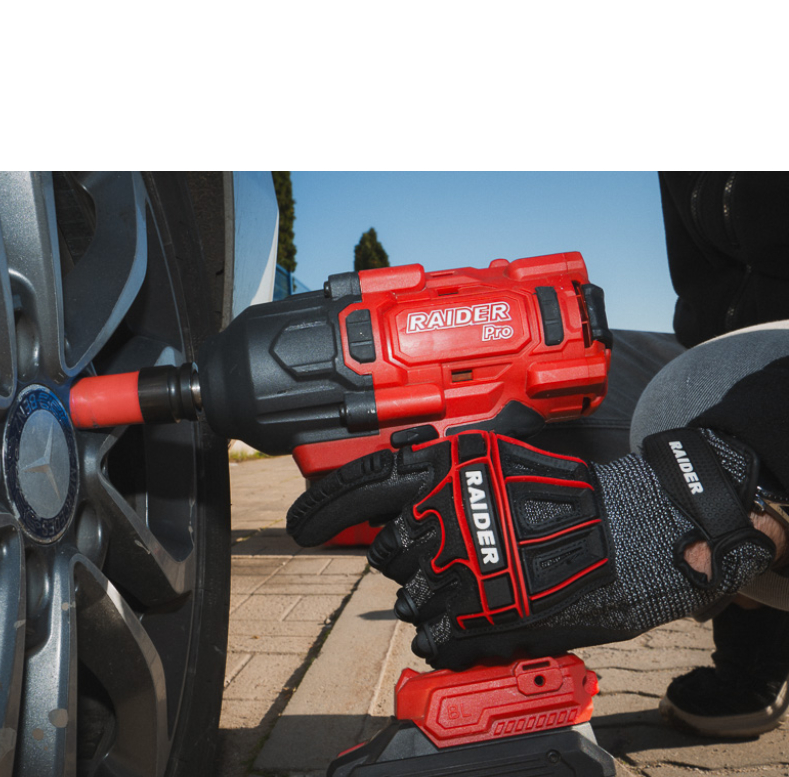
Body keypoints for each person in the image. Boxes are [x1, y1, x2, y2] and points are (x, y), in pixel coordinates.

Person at [287, 172, 789, 739]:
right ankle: (508, 710)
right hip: (723, 354)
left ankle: (755, 619)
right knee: (514, 401)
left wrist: (708, 488)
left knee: (679, 416)